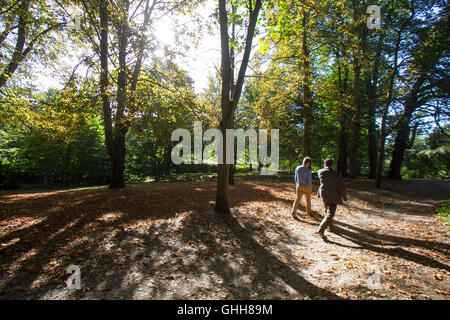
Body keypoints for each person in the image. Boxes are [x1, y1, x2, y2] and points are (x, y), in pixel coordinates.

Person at [315, 158, 347, 238]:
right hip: (332, 195)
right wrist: (344, 196)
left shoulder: (320, 172)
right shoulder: (336, 175)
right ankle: (321, 229)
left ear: (325, 164)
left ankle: (330, 227)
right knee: (330, 213)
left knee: (328, 211)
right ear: (332, 164)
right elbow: (340, 186)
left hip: (324, 194)